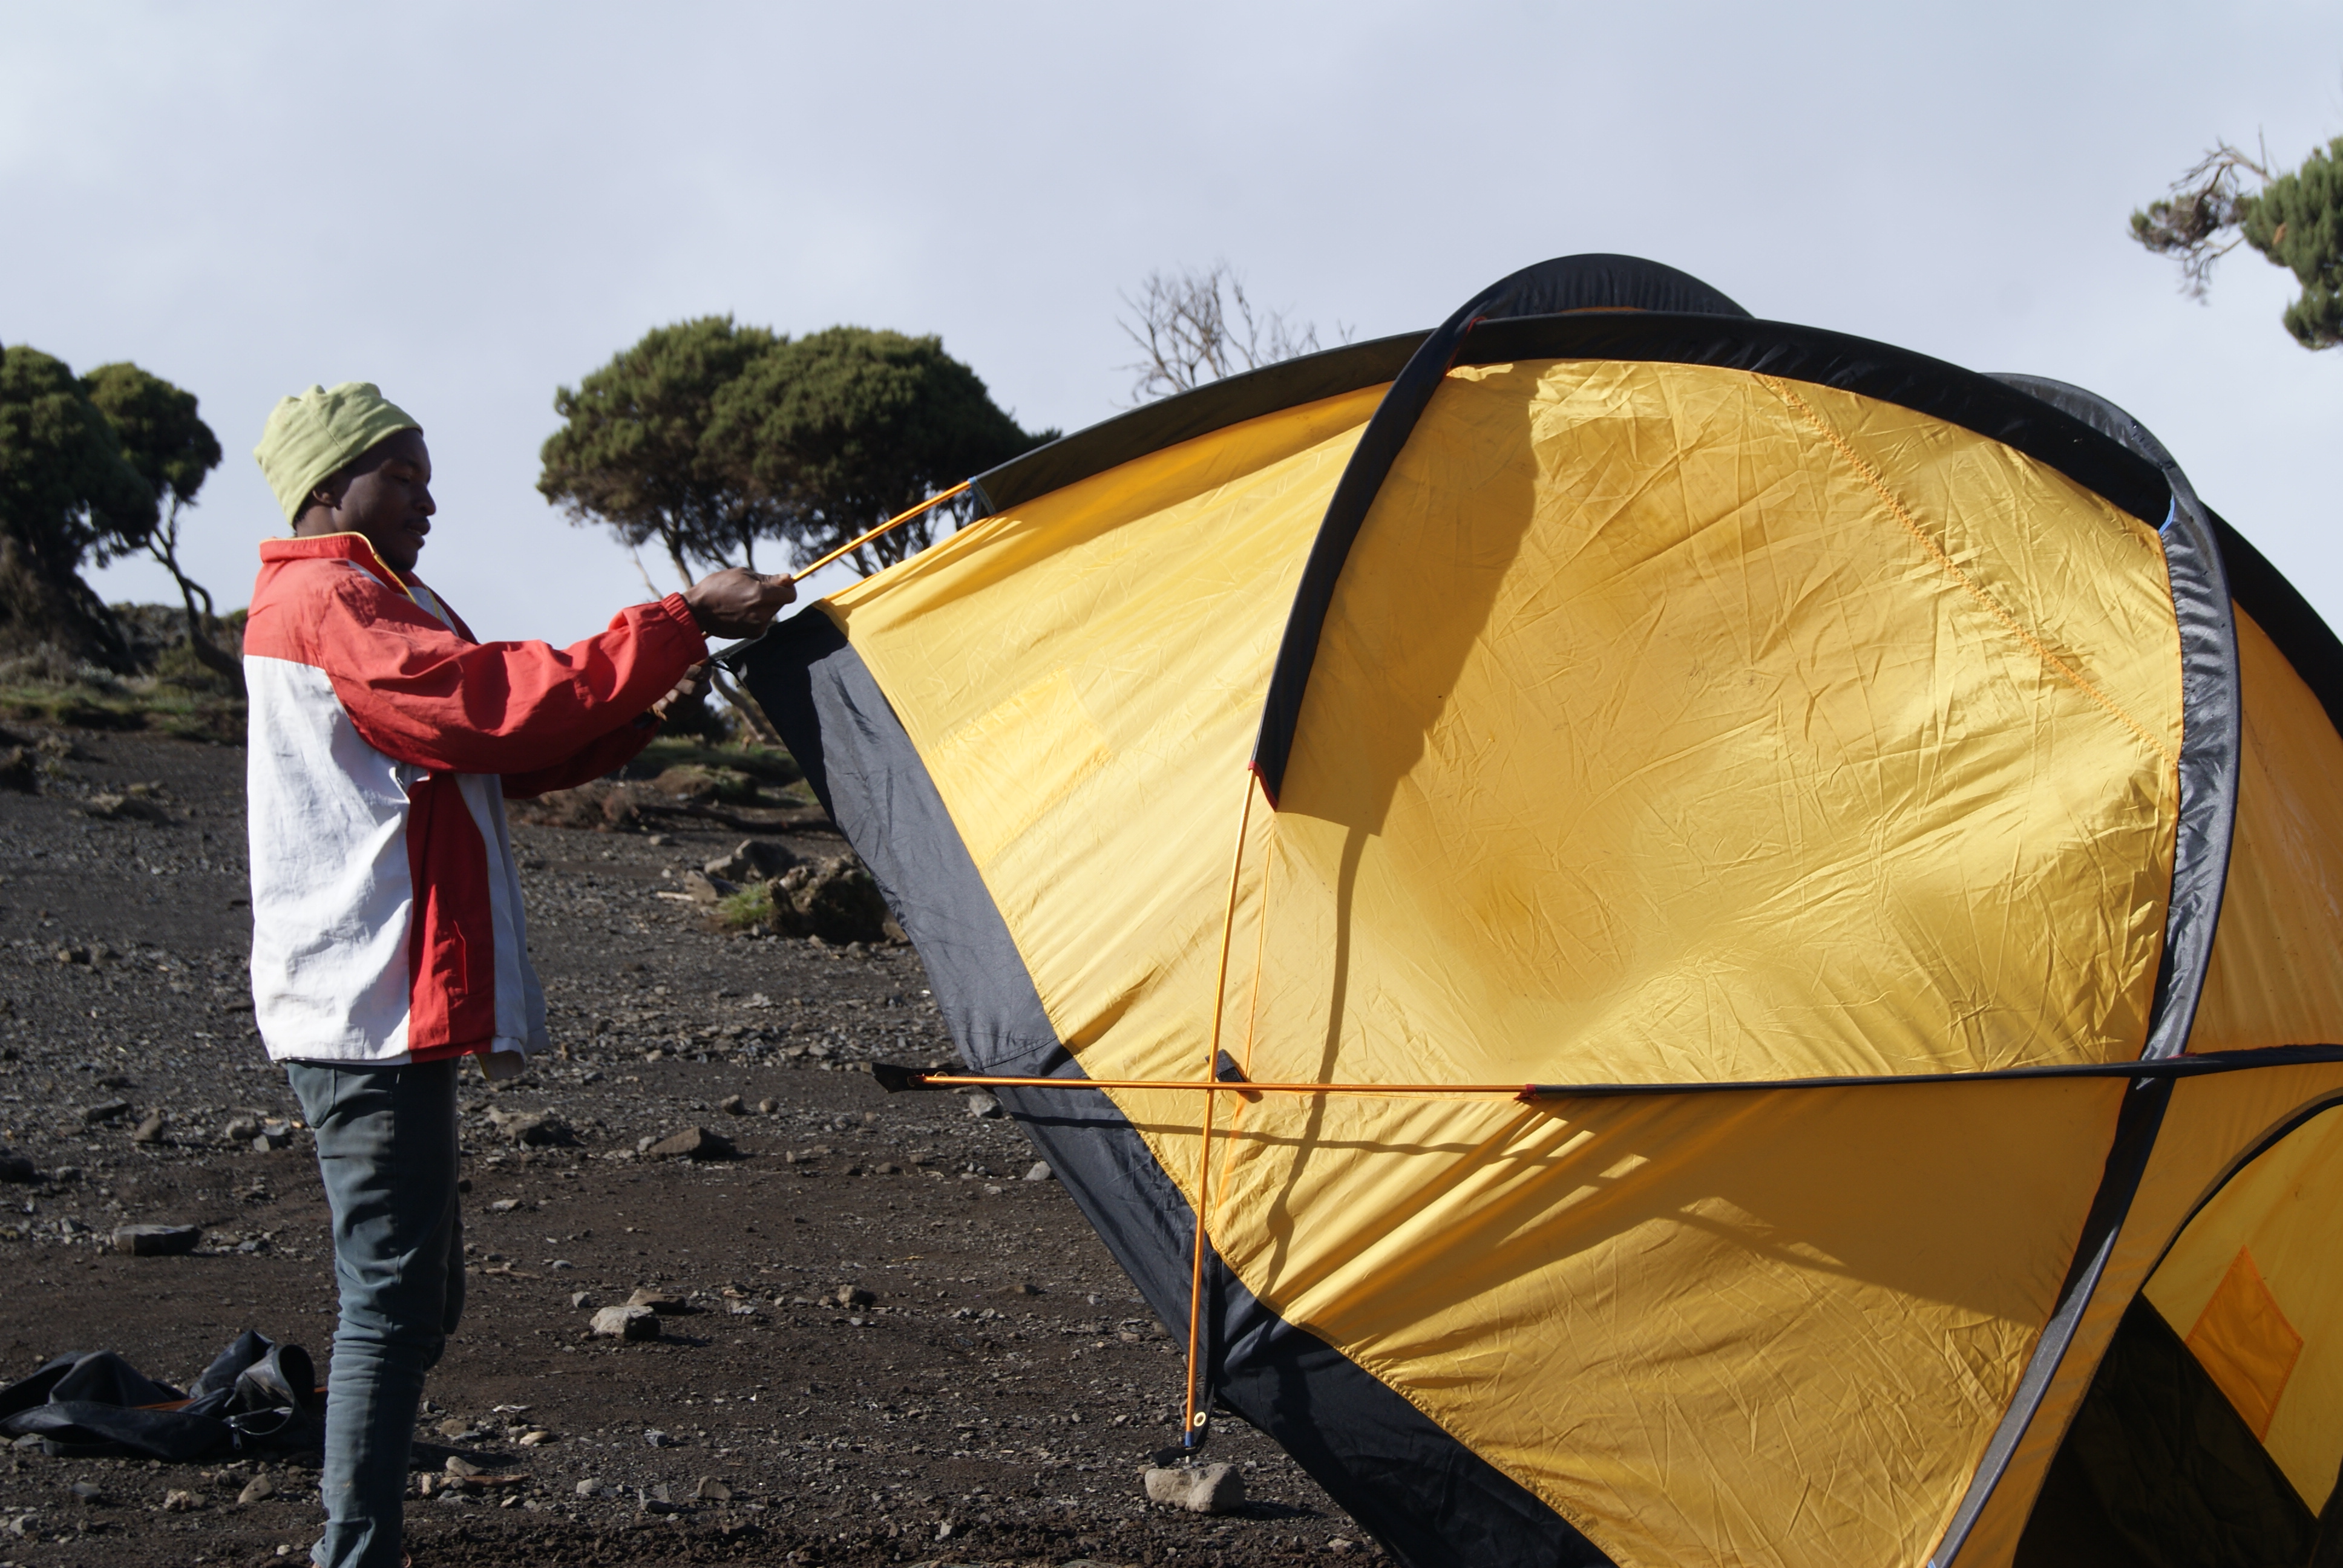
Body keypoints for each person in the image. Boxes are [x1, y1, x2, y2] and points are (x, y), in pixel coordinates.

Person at [243, 382, 793, 1568]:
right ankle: (357, 1553)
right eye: (405, 477)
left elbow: (490, 744)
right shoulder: (337, 598)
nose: (430, 499)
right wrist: (680, 622)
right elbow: (488, 707)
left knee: (410, 1303)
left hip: (369, 1008)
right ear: (331, 490)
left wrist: (642, 700)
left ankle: (362, 1532)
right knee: (393, 1311)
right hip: (364, 1008)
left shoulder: (355, 596)